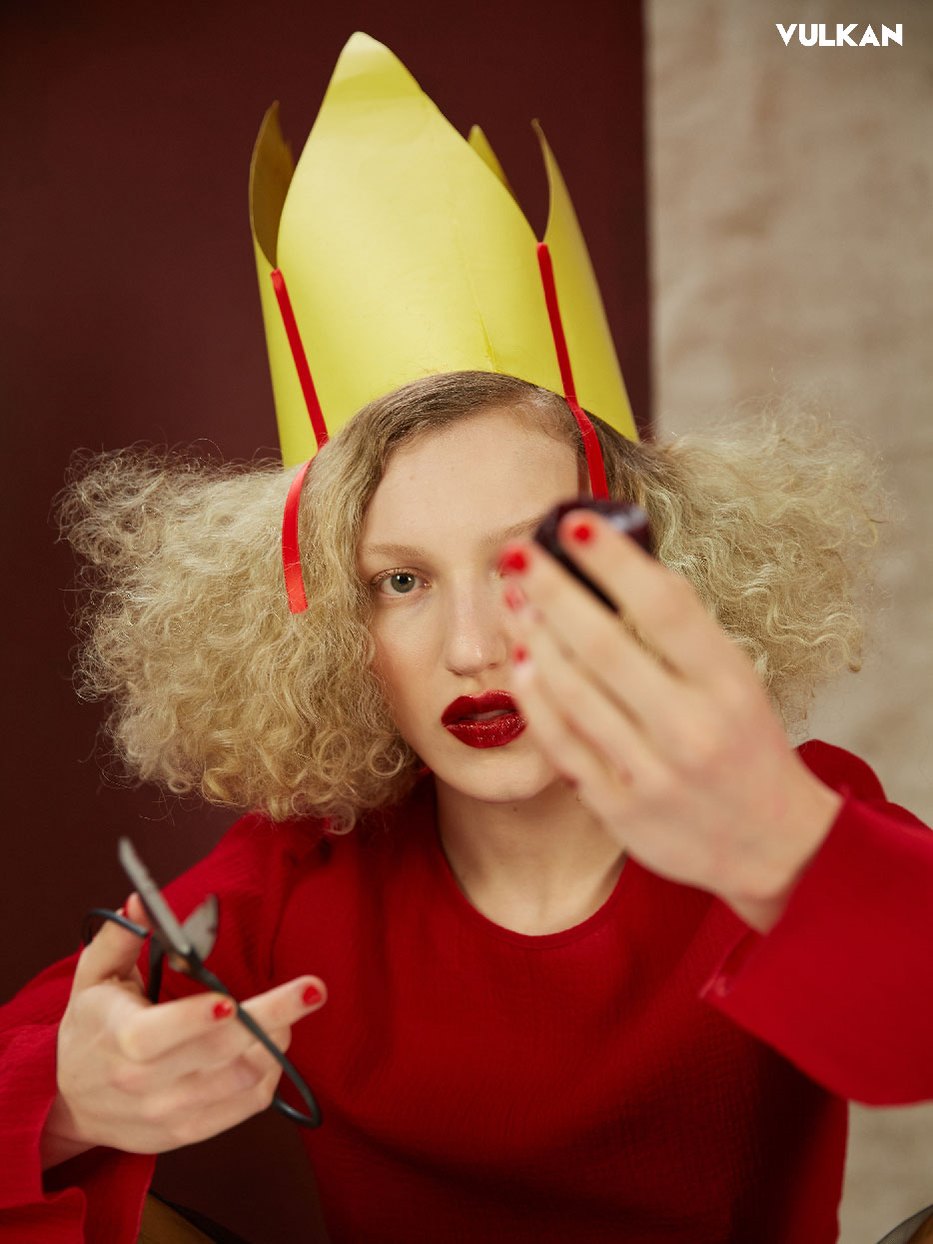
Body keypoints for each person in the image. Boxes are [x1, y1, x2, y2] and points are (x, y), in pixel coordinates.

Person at [2, 32, 931, 1244]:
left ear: (651, 566)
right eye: (399, 580)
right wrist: (71, 1100)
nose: (474, 646)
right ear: (331, 623)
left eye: (528, 562)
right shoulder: (294, 879)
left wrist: (787, 850)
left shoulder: (790, 810)